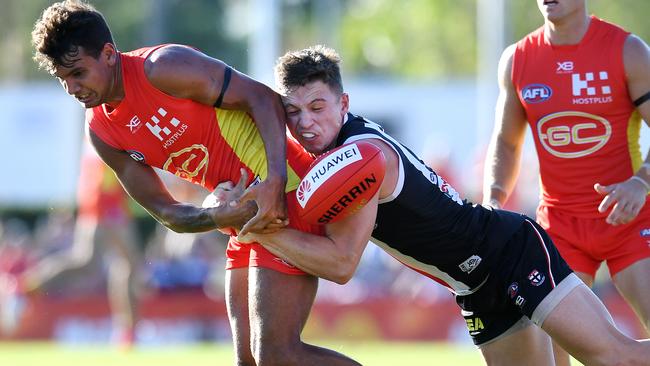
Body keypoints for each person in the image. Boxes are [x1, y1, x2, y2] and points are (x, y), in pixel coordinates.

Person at [222, 45, 650, 366]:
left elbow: (340, 264)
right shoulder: (326, 155)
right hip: (473, 286)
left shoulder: (361, 158)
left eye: (317, 107)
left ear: (344, 103)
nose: (304, 123)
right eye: (292, 111)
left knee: (615, 356)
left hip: (508, 252)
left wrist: (254, 224)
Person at [31, 2, 360, 365]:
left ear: (109, 54)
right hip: (243, 217)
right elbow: (166, 212)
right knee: (250, 361)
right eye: (64, 79)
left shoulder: (163, 67)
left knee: (277, 354)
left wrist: (273, 183)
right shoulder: (102, 133)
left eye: (79, 73)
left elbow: (263, 98)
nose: (73, 88)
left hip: (287, 193)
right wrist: (222, 216)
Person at [482, 0, 650, 364]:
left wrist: (641, 182)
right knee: (556, 354)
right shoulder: (518, 59)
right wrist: (493, 201)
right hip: (560, 228)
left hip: (629, 220)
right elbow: (507, 143)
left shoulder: (628, 51)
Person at [19, 136, 141, 347]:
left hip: (103, 199)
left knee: (103, 262)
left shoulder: (97, 124)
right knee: (113, 263)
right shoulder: (105, 124)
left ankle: (126, 331)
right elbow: (107, 168)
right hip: (105, 200)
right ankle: (126, 331)